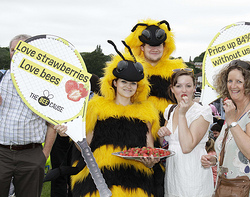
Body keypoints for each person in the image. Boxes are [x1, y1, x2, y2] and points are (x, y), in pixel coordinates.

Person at [55, 41, 162, 196]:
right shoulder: (96, 108)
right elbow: (85, 146)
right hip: (100, 180)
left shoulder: (147, 112)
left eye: (133, 83)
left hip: (136, 181)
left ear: (139, 86)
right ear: (114, 82)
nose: (128, 86)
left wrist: (151, 161)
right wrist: (71, 133)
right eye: (124, 81)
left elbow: (148, 149)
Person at [201, 59, 250, 196]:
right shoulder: (233, 112)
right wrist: (216, 160)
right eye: (229, 81)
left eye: (239, 81)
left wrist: (232, 121)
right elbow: (234, 152)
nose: (233, 86)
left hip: (249, 189)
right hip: (227, 187)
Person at [0, 34, 56, 197]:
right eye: (12, 50)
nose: (16, 53)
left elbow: (52, 123)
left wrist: (43, 155)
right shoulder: (2, 78)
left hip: (31, 154)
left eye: (22, 49)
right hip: (2, 152)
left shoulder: (46, 85)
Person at [157, 68, 214, 197]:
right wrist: (162, 133)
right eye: (179, 86)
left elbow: (187, 146)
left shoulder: (202, 111)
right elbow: (166, 142)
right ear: (172, 89)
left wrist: (182, 115)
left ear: (194, 88)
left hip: (193, 170)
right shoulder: (170, 110)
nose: (184, 90)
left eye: (188, 86)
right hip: (174, 172)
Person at [125, 19, 186, 127]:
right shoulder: (130, 68)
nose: (155, 49)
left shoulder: (176, 71)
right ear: (142, 47)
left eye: (158, 45)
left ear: (164, 47)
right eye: (150, 45)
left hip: (170, 130)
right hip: (136, 128)